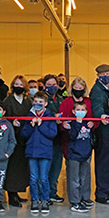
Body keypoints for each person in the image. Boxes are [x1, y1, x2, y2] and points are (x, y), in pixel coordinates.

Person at [59, 77, 97, 208]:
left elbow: (94, 119)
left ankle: (85, 197)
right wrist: (66, 124)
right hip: (71, 147)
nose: (78, 91)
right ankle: (75, 200)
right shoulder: (66, 103)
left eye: (81, 89)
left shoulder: (89, 102)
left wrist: (93, 123)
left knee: (85, 176)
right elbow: (62, 123)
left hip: (86, 147)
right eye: (76, 88)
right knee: (73, 177)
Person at [21, 92, 57, 213]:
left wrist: (41, 125)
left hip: (45, 152)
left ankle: (45, 199)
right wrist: (31, 125)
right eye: (35, 102)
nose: (37, 104)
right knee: (33, 178)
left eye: (40, 102)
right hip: (32, 152)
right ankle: (35, 200)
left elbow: (52, 134)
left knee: (43, 178)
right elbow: (24, 134)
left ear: (45, 104)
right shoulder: (29, 116)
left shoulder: (49, 116)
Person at [90, 64, 109, 205]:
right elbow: (97, 105)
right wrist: (101, 116)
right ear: (98, 76)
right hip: (104, 131)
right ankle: (101, 194)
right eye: (104, 74)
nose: (107, 76)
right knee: (104, 163)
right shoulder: (97, 90)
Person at [3, 75, 33, 207]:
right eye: (16, 84)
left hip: (24, 138)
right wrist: (11, 122)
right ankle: (11, 194)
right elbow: (3, 118)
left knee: (22, 167)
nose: (18, 87)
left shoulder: (28, 101)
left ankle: (18, 191)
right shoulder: (7, 100)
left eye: (21, 85)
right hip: (12, 138)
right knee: (12, 167)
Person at [42, 74, 65, 204]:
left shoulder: (61, 99)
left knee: (56, 168)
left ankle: (52, 192)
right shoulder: (42, 99)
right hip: (46, 138)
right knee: (46, 168)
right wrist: (53, 116)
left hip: (59, 138)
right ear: (45, 86)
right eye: (49, 84)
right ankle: (43, 194)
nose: (52, 87)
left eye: (54, 84)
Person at [67, 102, 93, 213]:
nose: (80, 111)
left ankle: (83, 199)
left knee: (84, 179)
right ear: (73, 111)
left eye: (83, 109)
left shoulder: (88, 123)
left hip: (86, 154)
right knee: (74, 180)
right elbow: (72, 136)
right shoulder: (72, 122)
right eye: (78, 109)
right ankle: (75, 202)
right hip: (74, 155)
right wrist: (77, 124)